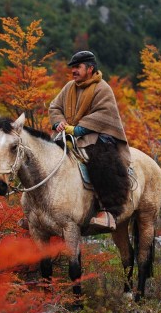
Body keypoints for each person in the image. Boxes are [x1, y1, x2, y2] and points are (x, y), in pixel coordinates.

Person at [49, 50, 131, 231]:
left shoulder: (103, 88)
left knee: (100, 162)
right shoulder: (69, 87)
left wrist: (79, 128)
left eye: (78, 67)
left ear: (90, 68)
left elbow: (104, 114)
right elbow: (55, 107)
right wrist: (59, 122)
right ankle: (41, 212)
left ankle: (108, 212)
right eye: (73, 67)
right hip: (69, 136)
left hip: (98, 137)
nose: (74, 71)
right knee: (45, 157)